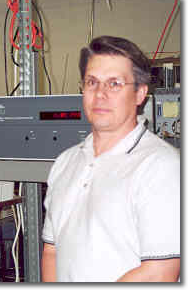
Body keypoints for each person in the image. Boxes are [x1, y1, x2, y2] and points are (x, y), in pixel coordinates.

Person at [41, 36, 180, 282]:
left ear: (140, 94)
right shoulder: (65, 163)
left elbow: (160, 273)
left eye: (114, 84)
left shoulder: (162, 166)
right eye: (92, 82)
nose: (100, 94)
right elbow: (52, 252)